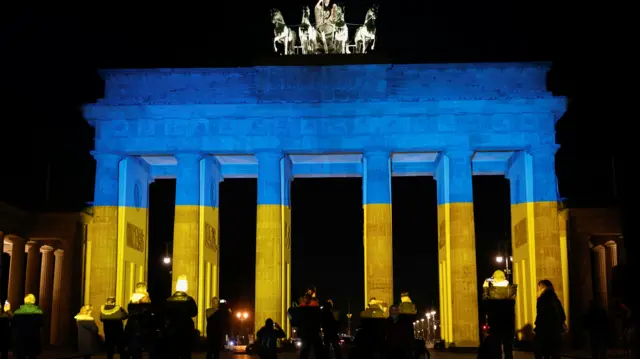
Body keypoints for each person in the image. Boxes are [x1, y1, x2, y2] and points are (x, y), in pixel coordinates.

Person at [165, 275, 198, 359]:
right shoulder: (189, 299)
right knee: (185, 353)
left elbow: (165, 314)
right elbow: (194, 313)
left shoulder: (169, 300)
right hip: (186, 329)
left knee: (173, 353)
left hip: (172, 330)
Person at [534, 280, 566, 359]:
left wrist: (537, 326)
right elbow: (562, 315)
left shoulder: (541, 299)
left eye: (539, 288)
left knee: (545, 353)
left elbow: (541, 315)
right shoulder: (555, 299)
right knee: (555, 353)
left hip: (544, 331)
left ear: (542, 288)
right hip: (555, 331)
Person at [126, 283, 154, 359]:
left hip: (133, 327)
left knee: (135, 349)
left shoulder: (132, 300)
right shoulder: (146, 299)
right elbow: (147, 313)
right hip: (144, 327)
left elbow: (130, 312)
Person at [11, 294, 43, 359]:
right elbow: (41, 324)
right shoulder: (39, 312)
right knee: (32, 356)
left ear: (25, 301)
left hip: (20, 339)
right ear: (34, 301)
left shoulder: (17, 312)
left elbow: (13, 324)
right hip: (33, 338)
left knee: (20, 356)